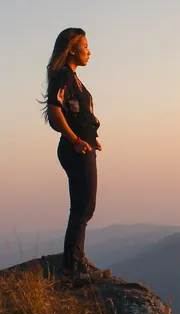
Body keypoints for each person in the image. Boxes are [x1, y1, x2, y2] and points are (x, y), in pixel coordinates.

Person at [39, 27, 107, 281]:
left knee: (82, 206)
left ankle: (74, 262)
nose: (89, 51)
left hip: (82, 147)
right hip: (76, 149)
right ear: (71, 49)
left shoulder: (72, 78)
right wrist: (76, 140)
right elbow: (56, 114)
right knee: (83, 207)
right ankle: (71, 269)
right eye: (85, 46)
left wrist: (92, 138)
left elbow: (75, 114)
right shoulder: (64, 77)